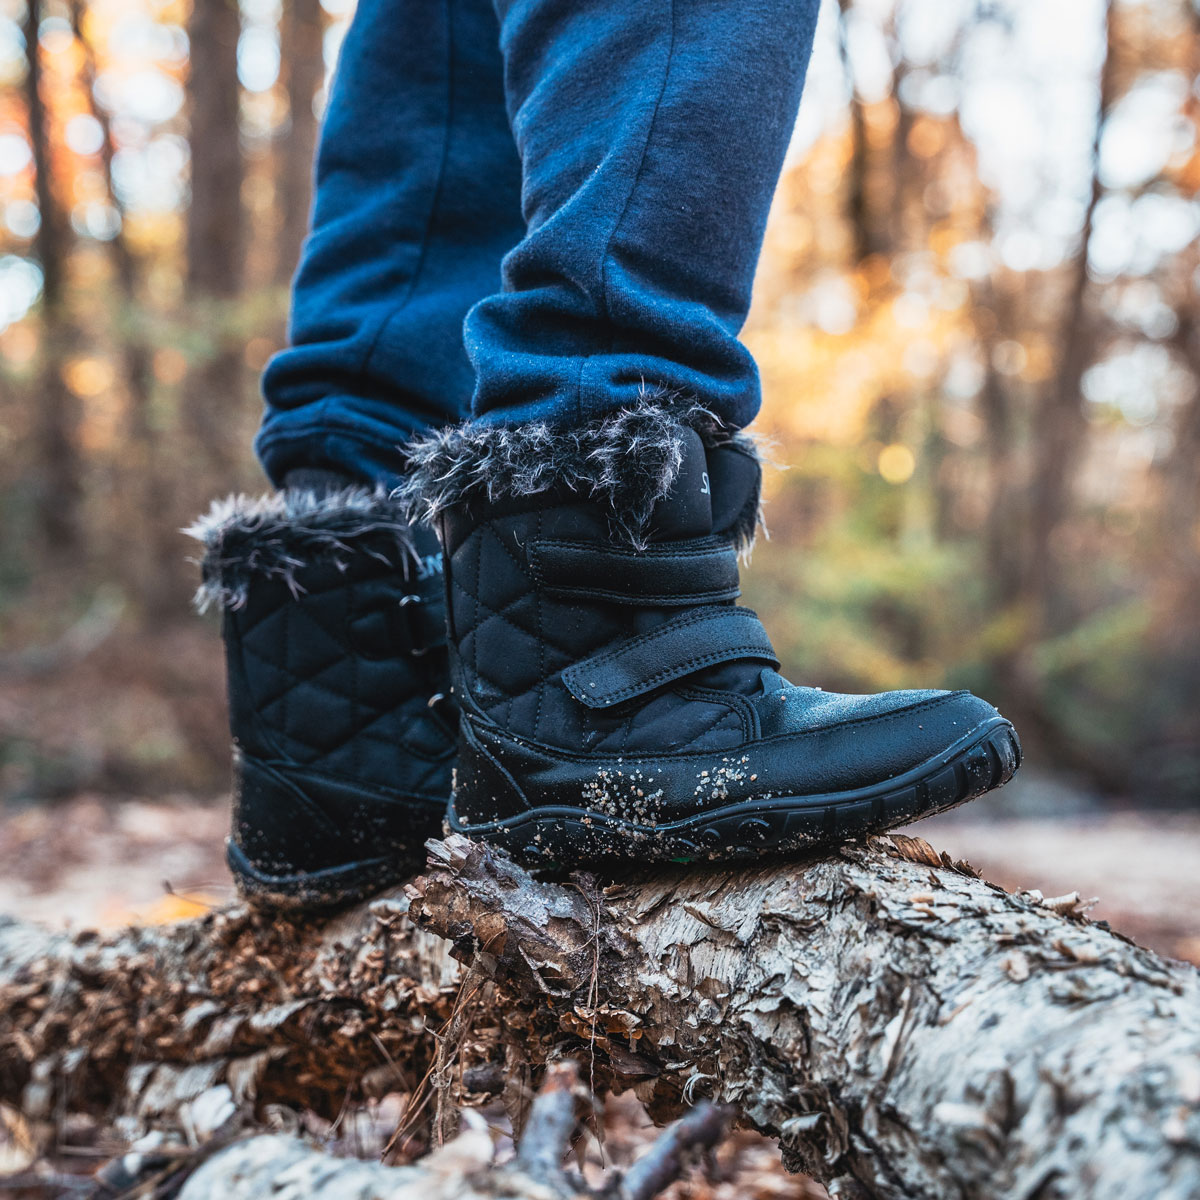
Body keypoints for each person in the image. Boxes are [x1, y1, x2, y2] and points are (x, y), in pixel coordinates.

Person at [190, 0, 1020, 910]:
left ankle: (349, 743)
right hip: (586, 663)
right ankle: (603, 687)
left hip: (351, 693)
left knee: (446, 26)